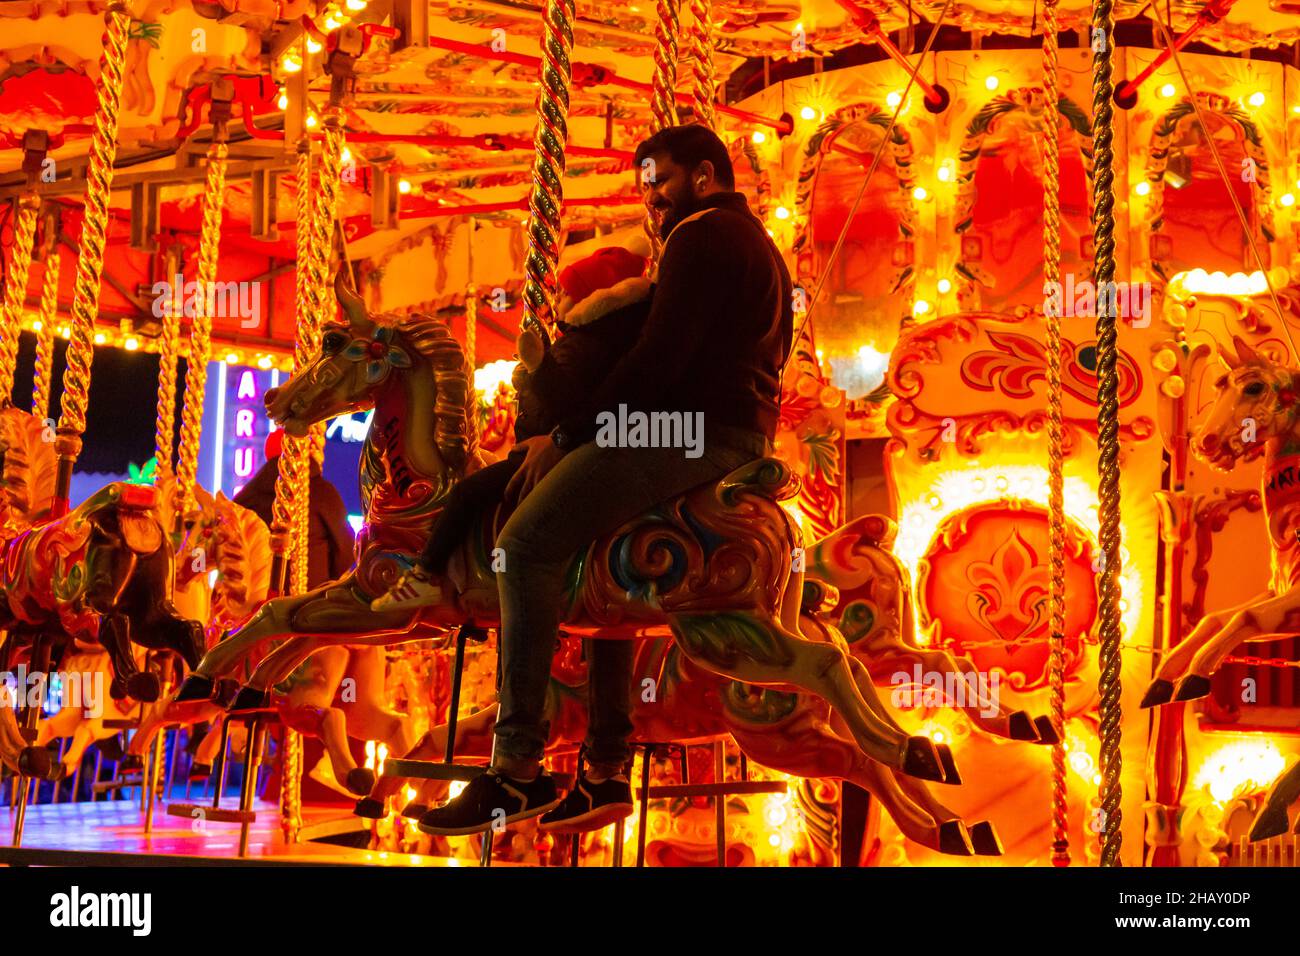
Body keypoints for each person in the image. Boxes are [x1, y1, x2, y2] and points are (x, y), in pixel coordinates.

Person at [417, 123, 794, 836]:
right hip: (736, 430)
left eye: (661, 178)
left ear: (706, 176)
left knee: (525, 547)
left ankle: (515, 768)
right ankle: (606, 765)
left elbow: (660, 359)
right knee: (603, 566)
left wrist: (568, 435)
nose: (652, 195)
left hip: (687, 431)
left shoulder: (700, 235)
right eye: (644, 181)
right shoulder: (758, 247)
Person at [371, 245, 652, 612]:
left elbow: (570, 404)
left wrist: (540, 370)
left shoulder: (589, 345)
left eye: (567, 290)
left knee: (467, 494)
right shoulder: (598, 340)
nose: (559, 297)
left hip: (558, 456)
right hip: (562, 449)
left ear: (590, 297)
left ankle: (428, 573)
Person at [234, 430, 355, 588]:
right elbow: (346, 549)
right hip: (309, 591)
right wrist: (326, 575)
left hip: (257, 591)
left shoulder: (248, 496)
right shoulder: (322, 491)